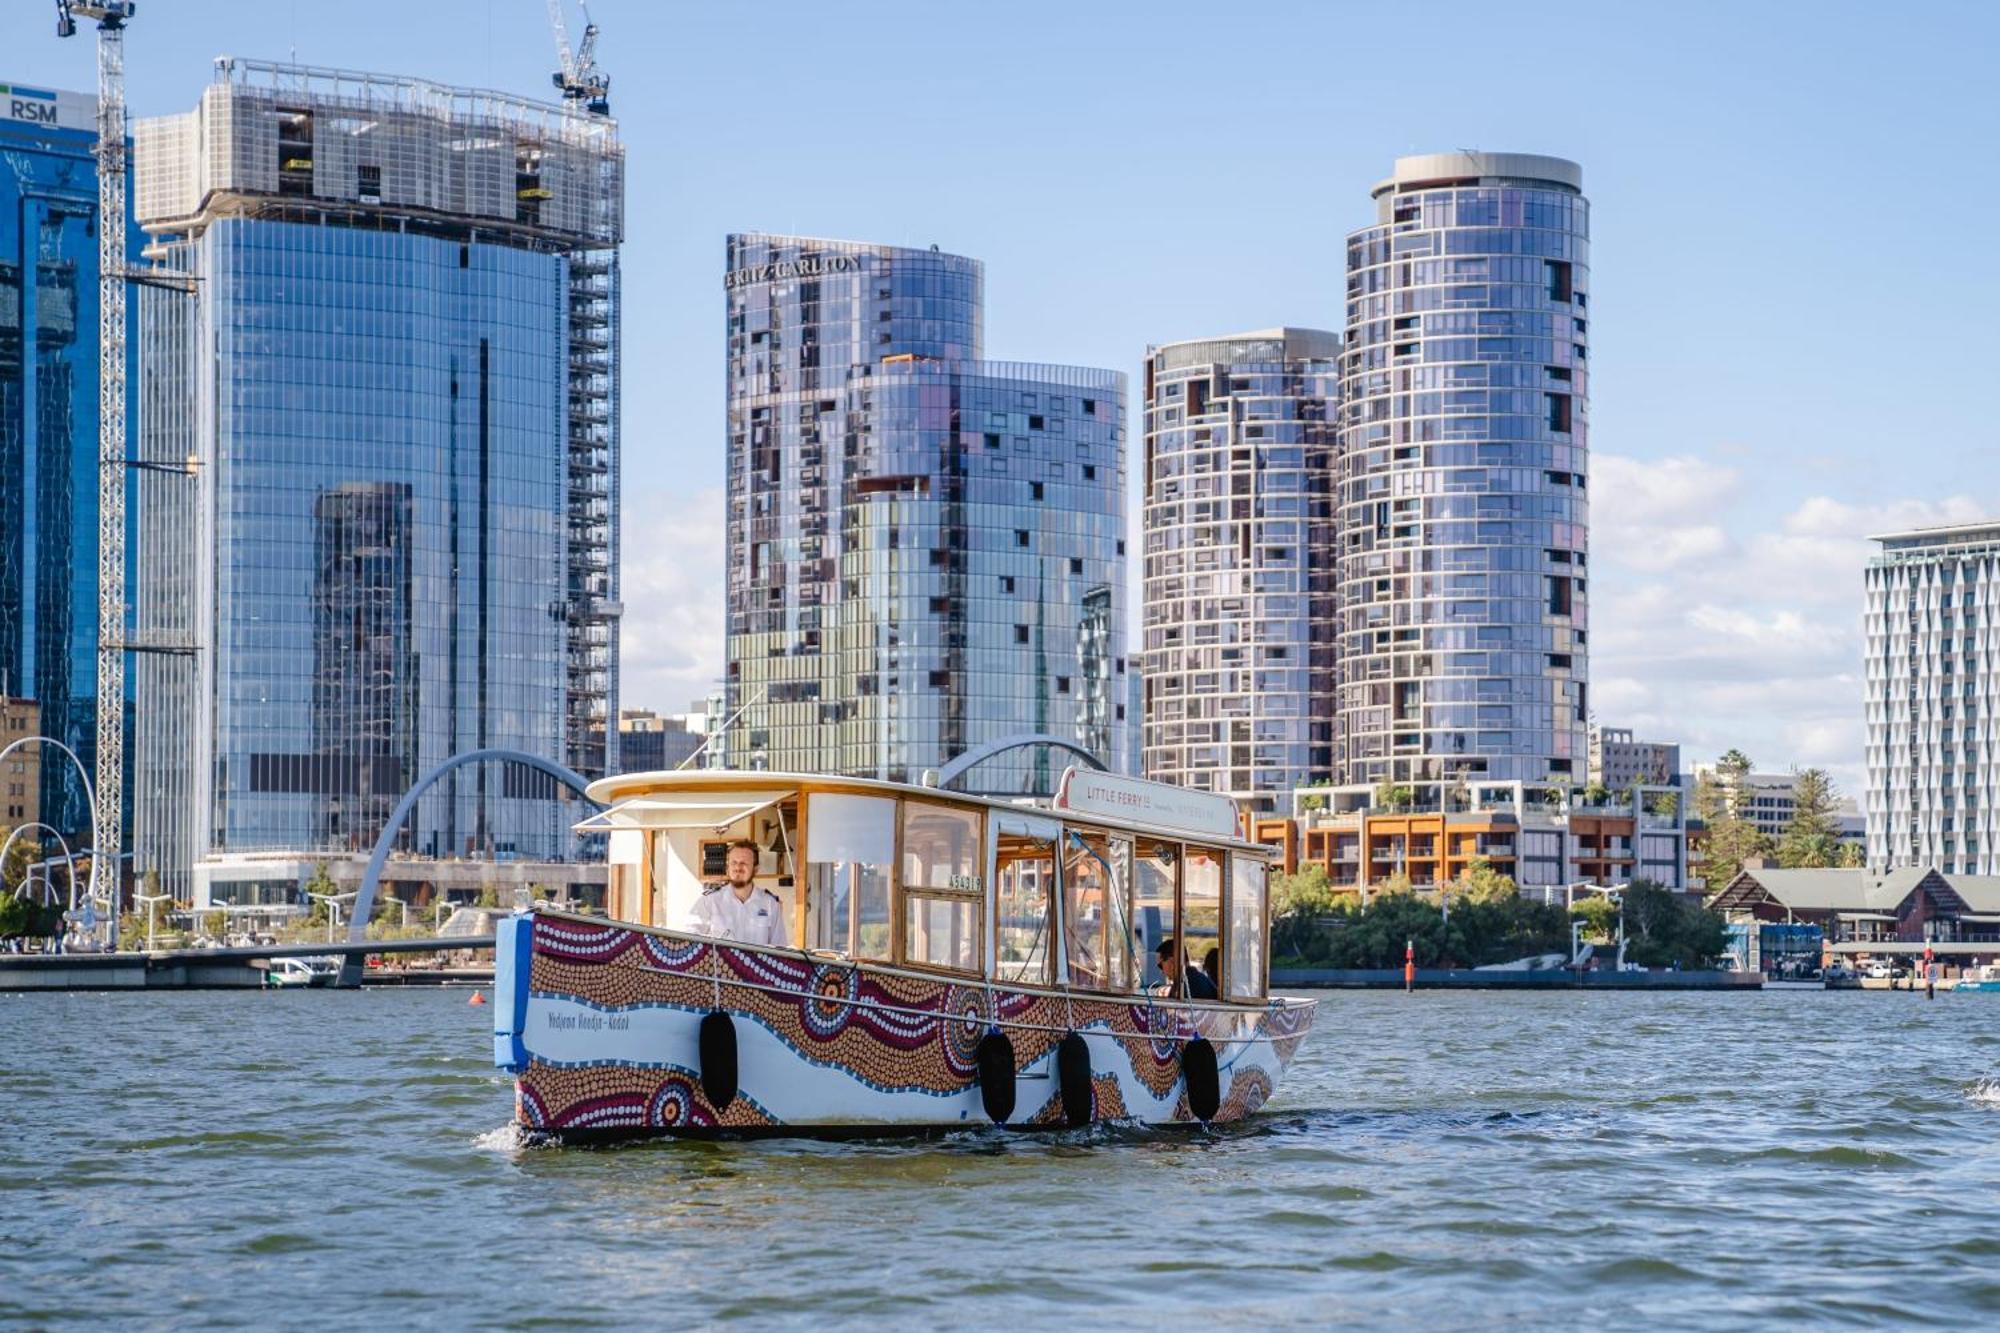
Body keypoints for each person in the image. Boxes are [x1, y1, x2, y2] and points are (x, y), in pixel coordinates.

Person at [688, 839, 789, 946]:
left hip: (756, 963)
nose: (737, 867)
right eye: (733, 862)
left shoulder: (770, 904)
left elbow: (779, 948)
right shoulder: (709, 901)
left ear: (756, 869)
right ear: (727, 867)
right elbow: (690, 937)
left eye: (743, 863)